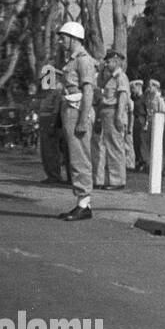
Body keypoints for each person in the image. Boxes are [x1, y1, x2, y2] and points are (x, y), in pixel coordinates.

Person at [56, 20, 96, 220]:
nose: (61, 41)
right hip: (70, 109)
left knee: (80, 157)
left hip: (78, 110)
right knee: (74, 156)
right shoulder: (71, 60)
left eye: (63, 37)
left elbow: (88, 91)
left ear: (73, 38)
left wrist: (82, 120)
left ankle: (84, 203)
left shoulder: (83, 60)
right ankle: (80, 201)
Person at [91, 48, 130, 190]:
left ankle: (117, 181)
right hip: (105, 112)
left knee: (115, 146)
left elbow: (123, 97)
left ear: (115, 62)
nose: (106, 64)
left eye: (108, 62)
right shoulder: (108, 77)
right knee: (105, 146)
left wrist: (119, 116)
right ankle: (104, 179)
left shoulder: (120, 77)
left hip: (113, 111)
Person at [129, 79, 145, 171]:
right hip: (135, 119)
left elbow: (147, 110)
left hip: (141, 119)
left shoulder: (143, 98)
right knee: (136, 142)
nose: (132, 90)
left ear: (139, 87)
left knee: (141, 141)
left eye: (133, 88)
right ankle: (138, 160)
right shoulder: (134, 98)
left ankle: (143, 160)